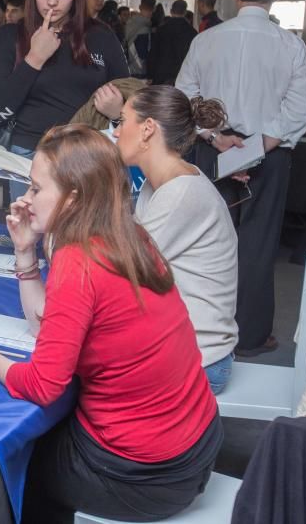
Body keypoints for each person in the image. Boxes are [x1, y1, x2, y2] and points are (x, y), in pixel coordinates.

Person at [0, 124, 222, 522]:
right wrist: (25, 251)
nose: (26, 199)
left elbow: (42, 385)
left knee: (11, 464)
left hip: (146, 477)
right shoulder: (128, 235)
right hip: (197, 444)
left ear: (73, 198)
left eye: (37, 189)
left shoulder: (79, 261)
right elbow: (48, 328)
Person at [177, 0, 306, 356]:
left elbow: (186, 97)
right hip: (267, 158)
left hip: (212, 150)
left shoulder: (206, 40)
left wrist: (217, 138)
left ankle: (200, 334)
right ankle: (250, 336)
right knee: (257, 245)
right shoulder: (291, 45)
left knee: (203, 241)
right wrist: (255, 149)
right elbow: (299, 110)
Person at [113, 85, 238, 393]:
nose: (115, 133)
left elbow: (119, 266)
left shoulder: (181, 192)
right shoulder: (163, 182)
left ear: (147, 129)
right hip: (183, 345)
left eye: (121, 121)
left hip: (201, 359)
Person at [0, 0, 130, 198]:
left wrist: (118, 114)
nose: (52, 1)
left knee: (86, 235)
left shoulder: (101, 37)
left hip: (88, 158)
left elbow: (131, 101)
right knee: (34, 235)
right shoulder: (8, 38)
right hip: (29, 158)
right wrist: (34, 59)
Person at [147, 0, 197, 85]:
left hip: (161, 74)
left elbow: (154, 53)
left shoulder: (162, 29)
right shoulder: (192, 32)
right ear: (185, 12)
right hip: (182, 75)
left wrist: (150, 74)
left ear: (171, 11)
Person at [125, 0, 156, 76]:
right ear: (153, 8)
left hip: (127, 68)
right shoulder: (145, 29)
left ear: (140, 7)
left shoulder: (129, 23)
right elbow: (143, 54)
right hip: (140, 71)